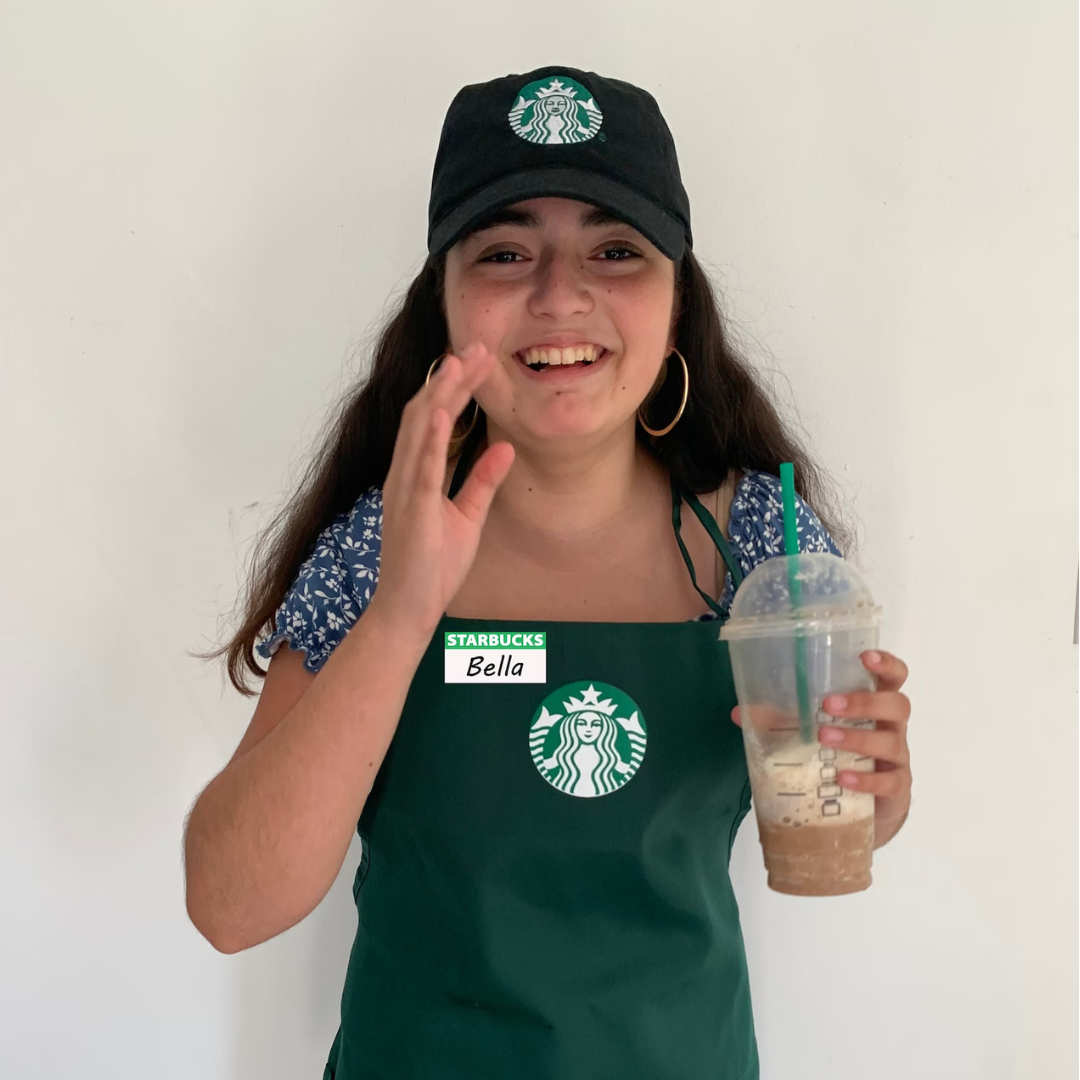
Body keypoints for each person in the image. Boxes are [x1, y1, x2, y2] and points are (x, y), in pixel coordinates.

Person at [184, 66, 913, 1079]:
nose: (561, 294)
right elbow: (229, 905)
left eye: (616, 250)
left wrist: (878, 791)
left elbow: (837, 805)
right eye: (504, 252)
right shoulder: (377, 543)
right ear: (444, 306)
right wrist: (401, 613)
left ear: (677, 300)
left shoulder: (762, 543)